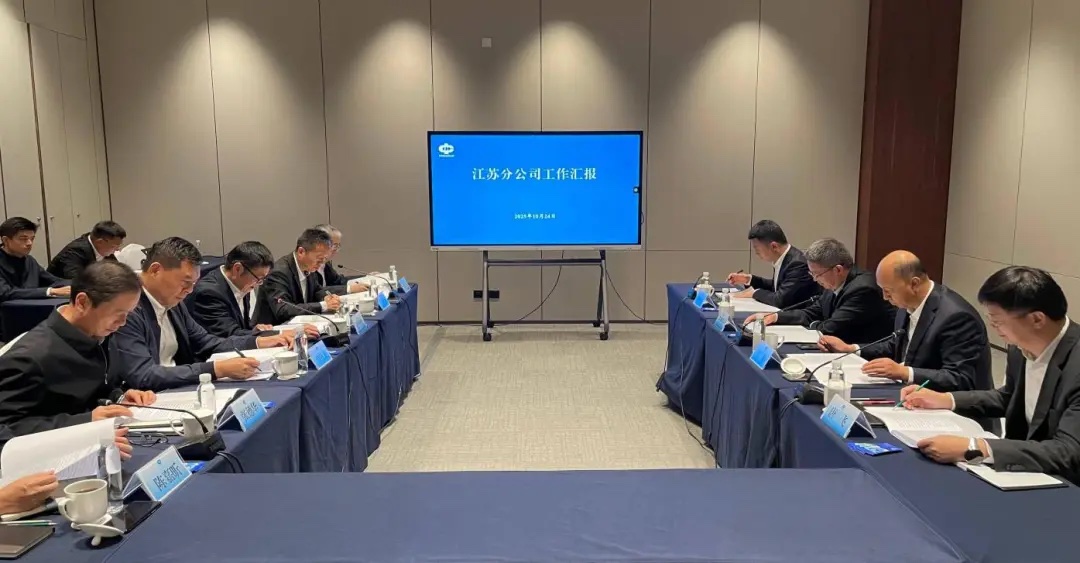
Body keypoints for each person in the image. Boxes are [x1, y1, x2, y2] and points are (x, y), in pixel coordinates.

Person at [902, 266, 1080, 485]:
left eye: (998, 321)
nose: (994, 328)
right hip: (1024, 473)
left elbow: (1068, 452)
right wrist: (945, 399)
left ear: (1037, 319)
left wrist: (976, 447)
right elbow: (1009, 398)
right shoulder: (1019, 348)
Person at [109, 237, 290, 391]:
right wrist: (215, 369)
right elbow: (144, 375)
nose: (189, 291)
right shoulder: (127, 308)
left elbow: (206, 342)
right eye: (185, 282)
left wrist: (257, 342)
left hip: (179, 388)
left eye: (193, 284)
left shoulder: (173, 302)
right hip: (151, 397)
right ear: (156, 270)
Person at [0, 261, 154, 440]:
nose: (123, 322)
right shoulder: (30, 357)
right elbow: (6, 427)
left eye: (128, 314)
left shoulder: (99, 333)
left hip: (100, 438)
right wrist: (85, 421)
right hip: (56, 449)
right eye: (118, 314)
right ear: (82, 302)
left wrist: (118, 397)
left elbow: (93, 387)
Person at [818, 250, 993, 392]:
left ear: (914, 284)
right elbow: (896, 344)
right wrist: (852, 349)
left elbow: (960, 378)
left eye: (888, 291)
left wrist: (905, 372)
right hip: (913, 395)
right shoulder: (905, 305)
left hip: (955, 412)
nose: (885, 297)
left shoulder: (956, 317)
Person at [745, 238, 895, 343]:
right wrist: (776, 317)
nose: (815, 279)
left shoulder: (862, 289)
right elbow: (812, 312)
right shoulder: (833, 283)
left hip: (864, 359)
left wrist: (813, 324)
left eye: (817, 274)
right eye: (812, 274)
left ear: (838, 269)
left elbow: (830, 328)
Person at [187, 241, 320, 340]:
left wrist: (256, 330)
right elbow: (229, 334)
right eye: (258, 279)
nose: (258, 284)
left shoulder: (240, 282)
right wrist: (284, 333)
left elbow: (241, 328)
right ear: (238, 269)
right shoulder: (208, 293)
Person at [253, 229, 342, 326]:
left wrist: (327, 297)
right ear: (301, 252)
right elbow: (283, 309)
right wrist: (323, 305)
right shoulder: (278, 273)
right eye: (319, 259)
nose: (322, 263)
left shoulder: (309, 266)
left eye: (325, 259)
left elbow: (317, 290)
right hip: (273, 329)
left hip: (300, 326)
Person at [726, 220, 819, 308]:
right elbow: (777, 286)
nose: (756, 252)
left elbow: (780, 300)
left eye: (756, 248)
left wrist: (754, 293)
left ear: (774, 246)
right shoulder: (785, 257)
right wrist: (748, 279)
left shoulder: (797, 264)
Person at [0, 217, 70, 302]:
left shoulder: (29, 260)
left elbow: (54, 281)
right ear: (6, 240)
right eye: (23, 239)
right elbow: (5, 293)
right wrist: (50, 291)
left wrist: (79, 285)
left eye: (32, 238)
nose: (29, 243)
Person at [47, 220, 127, 279]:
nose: (117, 250)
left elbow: (118, 271)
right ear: (100, 242)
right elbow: (76, 281)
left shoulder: (104, 248)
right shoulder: (75, 251)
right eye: (114, 246)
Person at [314, 224, 368, 295]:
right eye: (334, 245)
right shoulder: (310, 266)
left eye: (338, 245)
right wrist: (349, 289)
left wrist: (366, 277)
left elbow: (338, 281)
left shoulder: (326, 263)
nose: (336, 250)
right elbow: (317, 291)